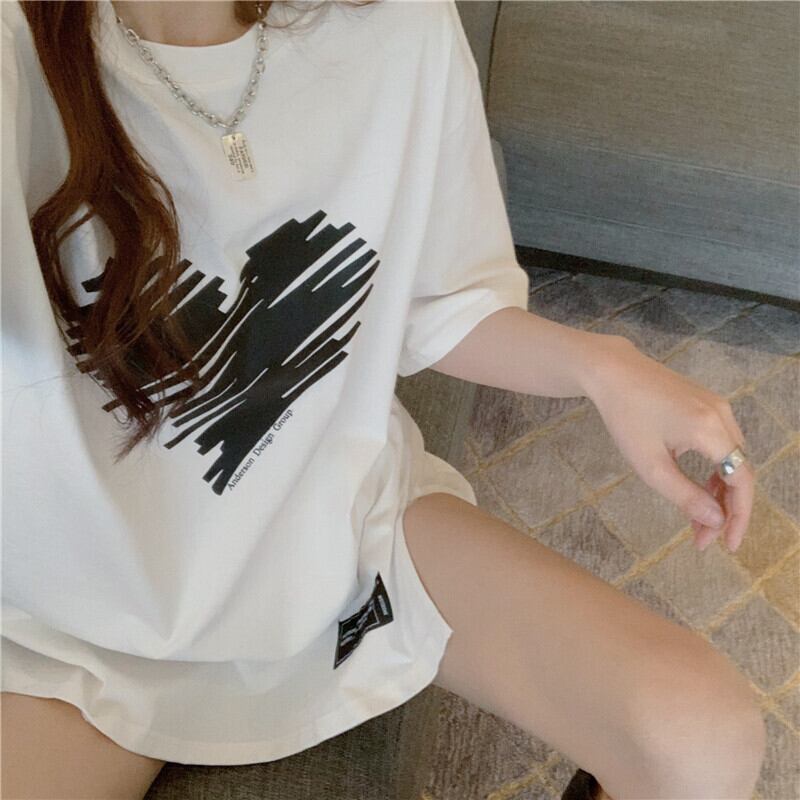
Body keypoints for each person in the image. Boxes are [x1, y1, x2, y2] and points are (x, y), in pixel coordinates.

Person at [0, 1, 766, 798]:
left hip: (340, 530)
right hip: (83, 607)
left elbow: (441, 300)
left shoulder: (394, 23)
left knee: (702, 739)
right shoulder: (18, 55)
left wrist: (605, 366)